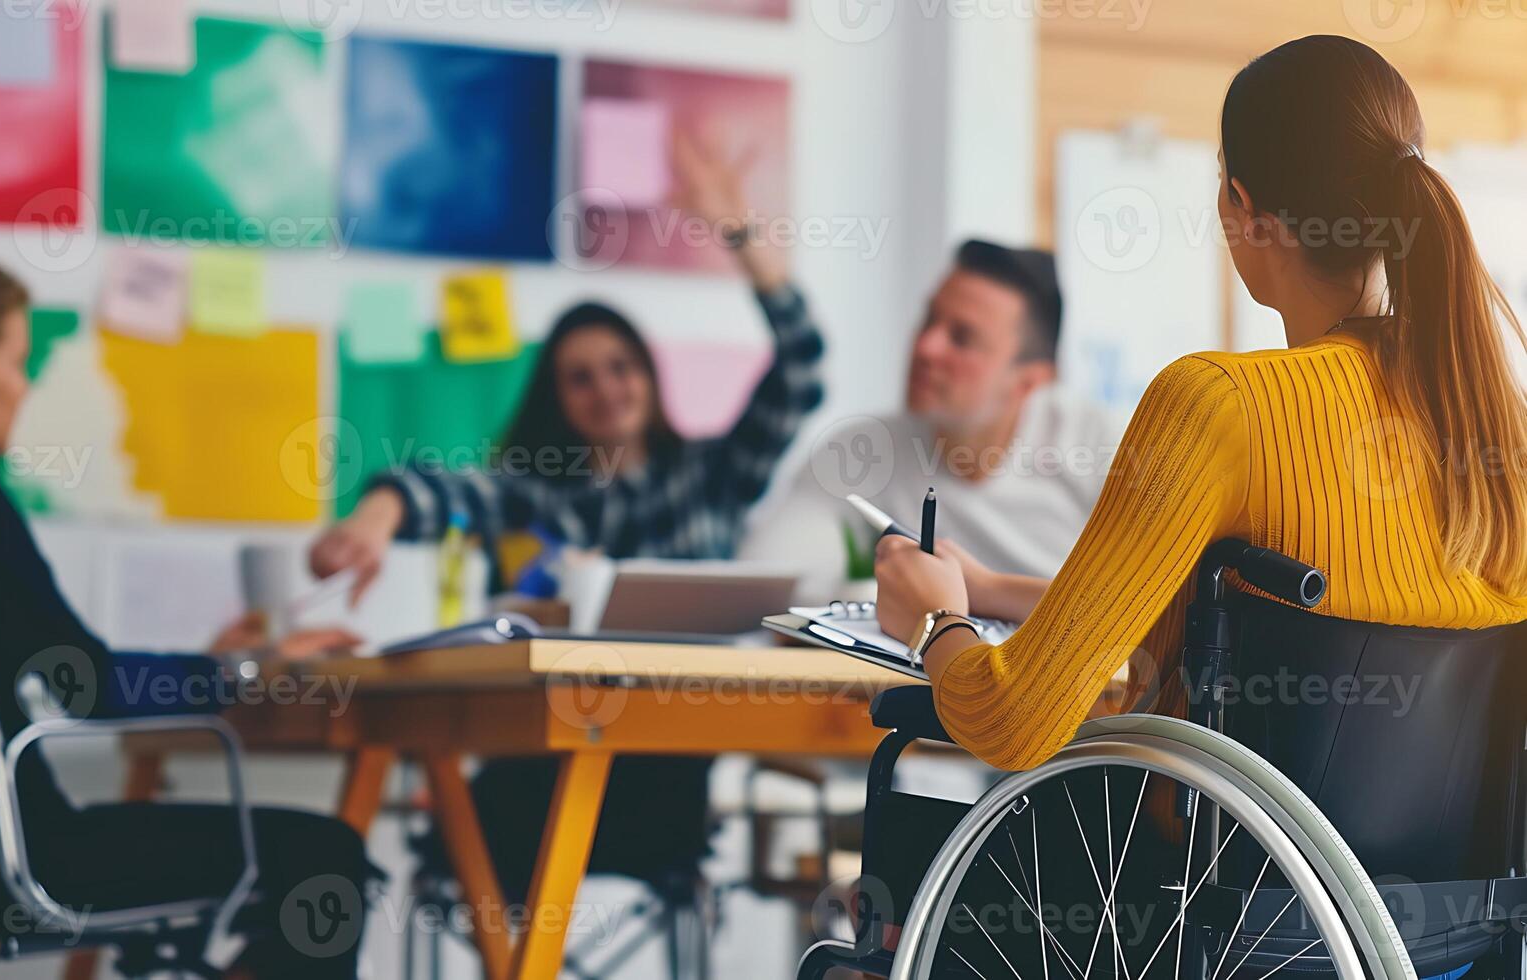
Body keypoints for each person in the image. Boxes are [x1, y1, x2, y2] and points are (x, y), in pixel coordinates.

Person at [875, 35, 1527, 774]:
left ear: (1242, 208)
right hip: (1439, 890)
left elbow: (1012, 722)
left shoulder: (1218, 406)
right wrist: (991, 591)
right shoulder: (1499, 426)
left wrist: (935, 621)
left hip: (1189, 878)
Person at [308, 132, 826, 901]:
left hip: (669, 778)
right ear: (560, 399)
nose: (606, 389)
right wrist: (378, 514)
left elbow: (801, 368)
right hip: (538, 766)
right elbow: (445, 491)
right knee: (465, 831)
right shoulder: (541, 488)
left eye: (620, 367)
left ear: (647, 376)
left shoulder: (714, 475)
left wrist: (741, 237)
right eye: (581, 378)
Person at [0, 257, 373, 979]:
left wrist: (205, 662)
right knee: (325, 862)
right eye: (16, 361)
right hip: (25, 856)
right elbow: (86, 687)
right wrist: (249, 669)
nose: (26, 384)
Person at [738, 240, 1121, 600]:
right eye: (930, 319)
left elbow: (1144, 607)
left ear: (1028, 382)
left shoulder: (1103, 449)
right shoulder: (864, 450)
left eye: (962, 337)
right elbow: (764, 579)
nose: (926, 347)